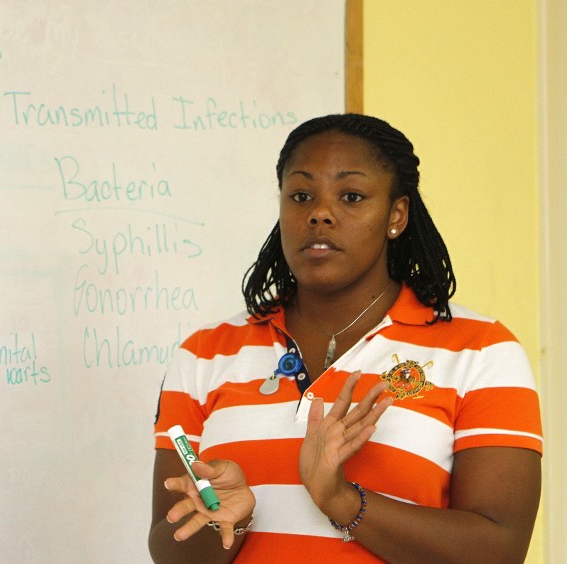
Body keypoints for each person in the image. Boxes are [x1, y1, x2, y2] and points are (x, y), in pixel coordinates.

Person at [149, 114, 542, 563]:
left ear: (396, 215)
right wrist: (228, 520)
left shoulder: (481, 352)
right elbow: (168, 550)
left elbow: (499, 550)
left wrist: (342, 502)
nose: (319, 213)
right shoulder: (204, 354)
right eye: (300, 195)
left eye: (351, 196)